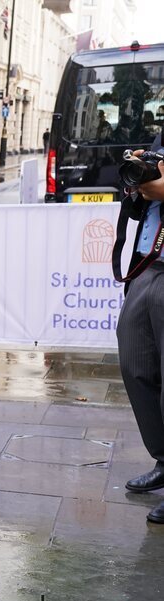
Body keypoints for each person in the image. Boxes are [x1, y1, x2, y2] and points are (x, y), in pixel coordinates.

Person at [117, 134, 164, 525]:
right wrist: (137, 183)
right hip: (148, 263)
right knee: (136, 363)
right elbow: (136, 209)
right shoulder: (160, 139)